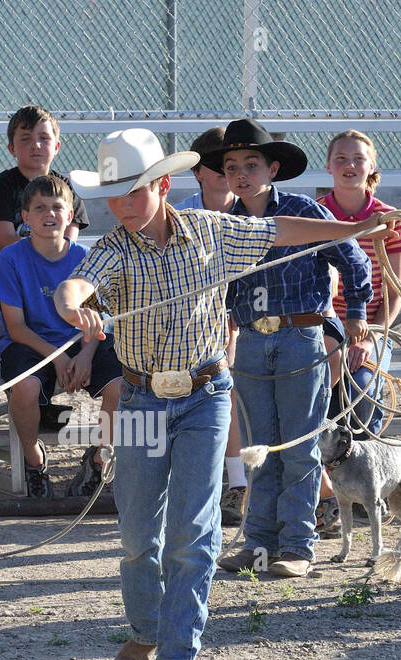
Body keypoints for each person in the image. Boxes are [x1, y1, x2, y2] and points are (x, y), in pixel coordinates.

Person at [55, 128, 396, 660]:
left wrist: (352, 230)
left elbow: (284, 230)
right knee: (139, 534)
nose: (122, 206)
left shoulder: (213, 231)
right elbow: (78, 282)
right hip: (139, 400)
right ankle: (144, 630)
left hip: (204, 394)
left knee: (192, 527)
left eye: (133, 192)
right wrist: (72, 307)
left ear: (163, 186)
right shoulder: (113, 248)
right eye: (113, 195)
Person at [205, 119, 372, 580]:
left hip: (300, 336)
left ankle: (297, 546)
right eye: (232, 166)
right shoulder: (225, 224)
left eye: (251, 165)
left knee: (298, 444)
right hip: (252, 341)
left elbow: (353, 258)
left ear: (273, 168)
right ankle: (259, 544)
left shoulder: (303, 211)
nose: (241, 174)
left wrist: (355, 314)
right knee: (260, 447)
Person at [0, 174, 121, 498]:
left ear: (70, 215)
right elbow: (16, 327)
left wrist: (86, 354)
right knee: (24, 388)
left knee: (123, 386)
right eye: (39, 208)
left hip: (82, 341)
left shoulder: (84, 257)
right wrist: (60, 357)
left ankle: (97, 458)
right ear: (25, 217)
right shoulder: (10, 258)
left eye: (57, 207)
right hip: (30, 342)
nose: (49, 214)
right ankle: (34, 460)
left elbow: (97, 319)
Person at [315, 129, 401, 535]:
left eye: (358, 159)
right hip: (323, 324)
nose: (350, 166)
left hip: (371, 326)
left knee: (364, 385)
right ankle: (322, 494)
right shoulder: (314, 214)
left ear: (371, 167)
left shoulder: (390, 221)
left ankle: (361, 482)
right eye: (341, 158)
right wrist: (335, 337)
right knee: (315, 389)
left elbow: (395, 294)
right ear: (329, 166)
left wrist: (370, 337)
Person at [177, 125, 247, 527]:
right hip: (199, 321)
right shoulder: (184, 214)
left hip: (248, 316)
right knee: (222, 383)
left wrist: (234, 317)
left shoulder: (253, 208)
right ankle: (235, 482)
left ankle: (312, 488)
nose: (225, 170)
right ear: (198, 172)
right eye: (216, 163)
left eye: (232, 162)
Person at [0, 105, 89, 305]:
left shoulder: (67, 189)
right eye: (25, 138)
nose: (36, 145)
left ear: (56, 147)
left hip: (57, 267)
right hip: (4, 267)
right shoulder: (1, 186)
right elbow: (4, 242)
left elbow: (67, 242)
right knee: (10, 301)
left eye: (44, 138)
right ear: (12, 148)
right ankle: (13, 337)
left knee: (75, 298)